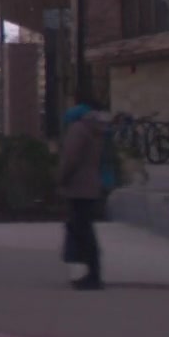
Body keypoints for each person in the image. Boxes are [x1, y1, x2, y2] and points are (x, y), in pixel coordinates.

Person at [58, 104, 111, 290]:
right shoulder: (95, 130)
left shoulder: (77, 130)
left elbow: (70, 158)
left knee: (82, 231)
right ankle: (91, 272)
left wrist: (61, 177)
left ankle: (91, 275)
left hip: (77, 186)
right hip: (91, 185)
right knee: (85, 230)